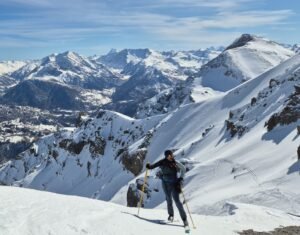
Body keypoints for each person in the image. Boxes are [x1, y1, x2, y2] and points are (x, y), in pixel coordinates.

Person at [146, 150, 188, 227]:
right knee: (168, 199)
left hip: (174, 184)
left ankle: (184, 219)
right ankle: (171, 215)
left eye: (170, 155)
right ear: (166, 156)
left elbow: (183, 169)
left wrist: (181, 178)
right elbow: (153, 166)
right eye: (168, 155)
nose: (169, 156)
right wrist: (149, 166)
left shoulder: (175, 162)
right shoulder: (162, 162)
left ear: (172, 155)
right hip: (165, 183)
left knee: (177, 201)